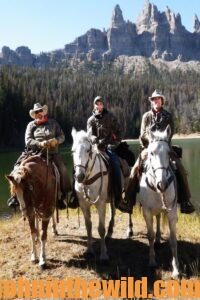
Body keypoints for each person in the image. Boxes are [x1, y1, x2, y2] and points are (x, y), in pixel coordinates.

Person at [123, 90, 195, 214]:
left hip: (165, 148)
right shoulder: (146, 116)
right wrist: (151, 139)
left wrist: (161, 140)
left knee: (181, 170)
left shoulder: (168, 116)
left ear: (162, 101)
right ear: (152, 102)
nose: (156, 101)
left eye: (158, 99)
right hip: (149, 148)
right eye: (154, 99)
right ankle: (128, 200)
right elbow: (142, 134)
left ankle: (185, 201)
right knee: (134, 169)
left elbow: (170, 133)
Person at [7, 103, 71, 210]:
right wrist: (39, 143)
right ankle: (14, 197)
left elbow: (62, 137)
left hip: (51, 153)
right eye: (36, 112)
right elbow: (28, 141)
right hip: (33, 153)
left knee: (63, 169)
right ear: (35, 114)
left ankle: (62, 195)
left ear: (43, 111)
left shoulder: (53, 123)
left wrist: (55, 141)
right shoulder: (31, 125)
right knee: (16, 168)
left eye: (40, 111)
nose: (39, 113)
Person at [87, 96, 130, 213]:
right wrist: (93, 138)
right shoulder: (91, 120)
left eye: (100, 104)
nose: (98, 106)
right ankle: (78, 197)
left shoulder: (110, 117)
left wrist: (113, 144)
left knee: (115, 165)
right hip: (95, 148)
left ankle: (118, 197)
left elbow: (119, 132)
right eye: (97, 104)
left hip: (108, 148)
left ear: (103, 105)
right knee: (81, 164)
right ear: (94, 105)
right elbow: (89, 134)